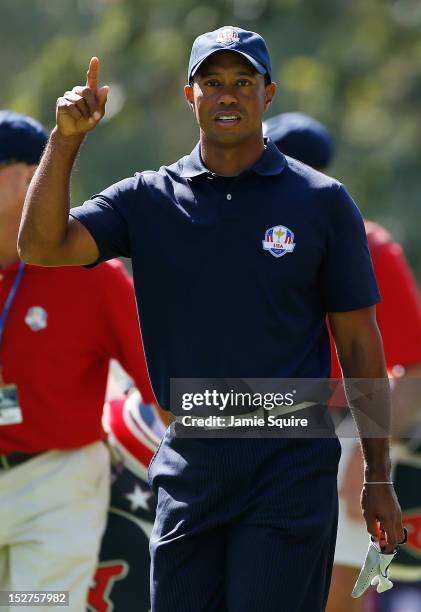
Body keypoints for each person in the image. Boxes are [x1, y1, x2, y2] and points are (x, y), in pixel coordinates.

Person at [18, 26, 404, 612]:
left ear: (268, 93)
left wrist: (378, 476)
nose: (228, 95)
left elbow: (359, 345)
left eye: (243, 82)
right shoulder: (147, 198)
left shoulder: (322, 201)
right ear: (189, 95)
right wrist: (66, 140)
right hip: (190, 456)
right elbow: (42, 246)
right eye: (213, 82)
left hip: (289, 459)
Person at [0, 110, 156, 612]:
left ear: (29, 176)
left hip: (54, 487)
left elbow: (165, 389)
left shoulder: (93, 273)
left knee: (33, 607)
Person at [265, 111, 421, 612]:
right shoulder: (236, 243)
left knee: (337, 599)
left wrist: (371, 457)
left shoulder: (370, 246)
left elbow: (415, 372)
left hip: (345, 426)